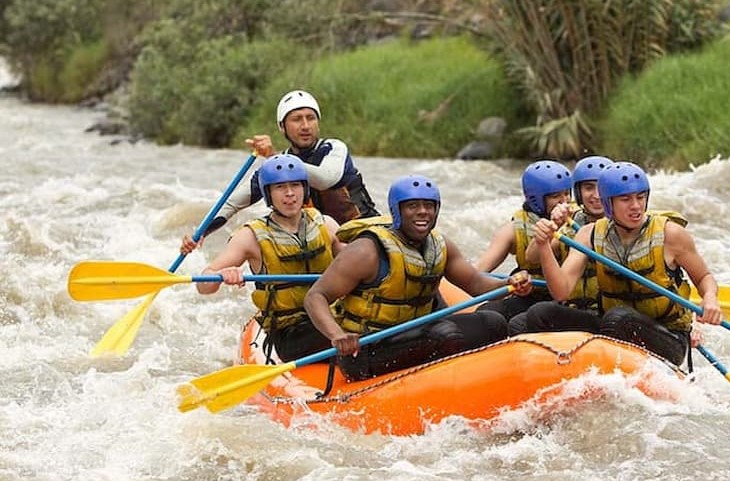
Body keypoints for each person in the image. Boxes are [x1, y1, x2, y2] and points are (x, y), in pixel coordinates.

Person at [302, 174, 533, 381]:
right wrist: (338, 335)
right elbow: (316, 296)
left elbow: (476, 284)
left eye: (429, 206)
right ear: (397, 211)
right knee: (445, 334)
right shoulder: (367, 251)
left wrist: (509, 284)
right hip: (364, 351)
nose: (423, 211)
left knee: (493, 323)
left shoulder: (441, 246)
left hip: (416, 336)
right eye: (413, 206)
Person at [529, 161, 722, 368]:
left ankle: (601, 370)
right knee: (540, 314)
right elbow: (561, 292)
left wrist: (710, 298)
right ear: (608, 203)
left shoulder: (671, 234)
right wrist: (543, 245)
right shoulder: (589, 234)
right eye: (625, 199)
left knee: (618, 318)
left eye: (640, 197)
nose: (636, 206)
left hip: (667, 337)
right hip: (613, 330)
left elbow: (704, 278)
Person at [181, 89, 379, 253]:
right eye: (297, 119)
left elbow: (325, 179)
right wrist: (200, 233)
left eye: (311, 118)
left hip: (364, 237)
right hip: (322, 247)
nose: (305, 126)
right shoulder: (273, 167)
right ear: (282, 127)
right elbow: (232, 203)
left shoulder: (334, 148)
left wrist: (273, 155)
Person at [196, 154, 345, 362]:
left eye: (295, 185)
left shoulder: (326, 224)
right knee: (352, 330)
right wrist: (222, 275)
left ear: (305, 189)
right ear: (268, 194)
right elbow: (204, 284)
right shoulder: (250, 237)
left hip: (332, 316)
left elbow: (357, 265)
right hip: (291, 334)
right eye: (280, 187)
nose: (290, 194)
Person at [506, 155, 612, 335]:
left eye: (601, 188)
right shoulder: (571, 222)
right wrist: (554, 224)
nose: (596, 195)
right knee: (518, 324)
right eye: (588, 188)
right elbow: (531, 257)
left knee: (540, 313)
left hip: (608, 316)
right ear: (578, 193)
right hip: (576, 309)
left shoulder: (621, 225)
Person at [473, 160, 572, 320]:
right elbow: (477, 273)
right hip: (530, 297)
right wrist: (509, 282)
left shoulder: (577, 221)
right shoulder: (512, 230)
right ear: (536, 199)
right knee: (488, 311)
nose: (564, 201)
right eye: (555, 196)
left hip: (566, 298)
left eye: (567, 193)